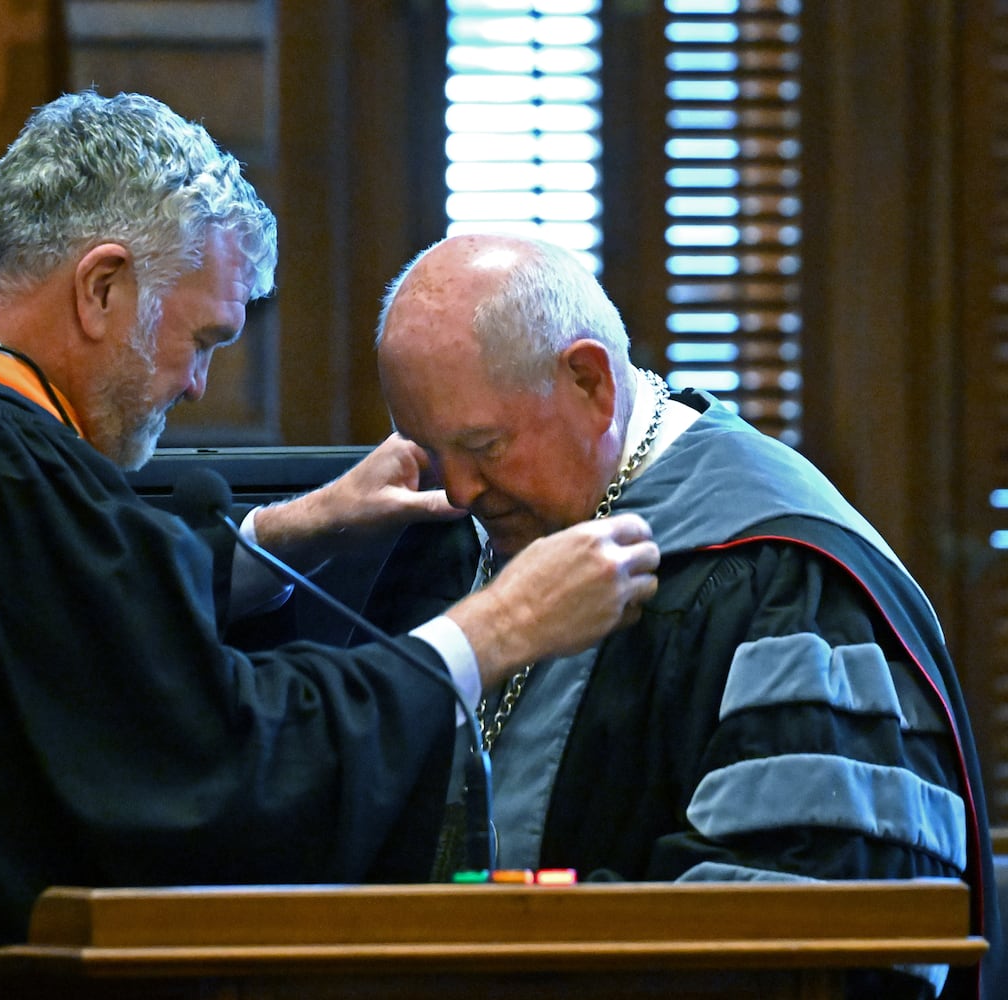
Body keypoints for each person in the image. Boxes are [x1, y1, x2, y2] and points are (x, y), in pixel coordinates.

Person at [0, 95, 660, 997]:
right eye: (201, 337)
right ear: (101, 288)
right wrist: (489, 631)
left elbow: (22, 638)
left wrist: (275, 536)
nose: (195, 382)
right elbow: (189, 774)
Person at [362, 232, 1002, 1000]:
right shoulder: (463, 539)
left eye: (483, 445)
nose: (459, 490)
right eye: (432, 452)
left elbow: (812, 934)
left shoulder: (779, 581)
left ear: (590, 381)